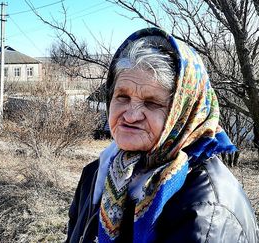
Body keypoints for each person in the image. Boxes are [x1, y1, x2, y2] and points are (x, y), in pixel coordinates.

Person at [66, 28, 259, 243]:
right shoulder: (98, 173)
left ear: (183, 113)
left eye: (152, 103)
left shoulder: (206, 210)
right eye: (122, 96)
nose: (130, 115)